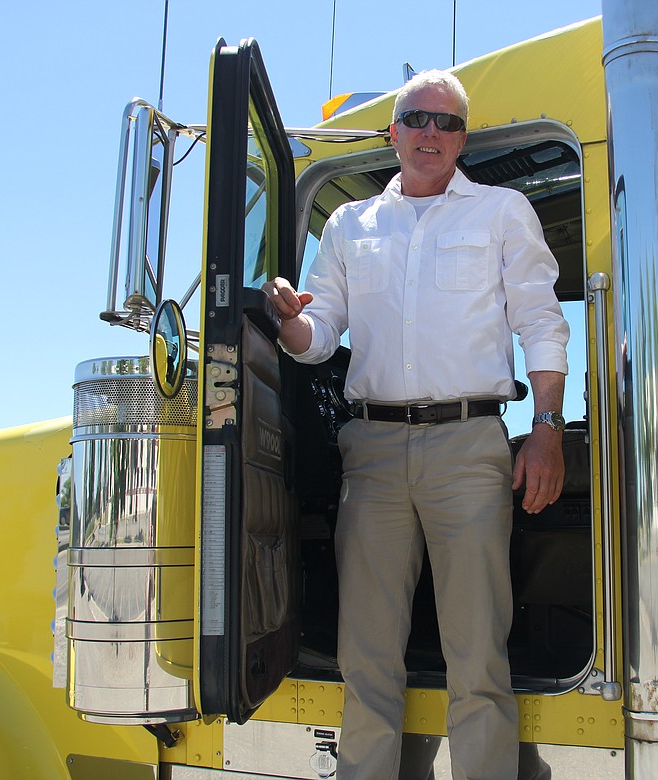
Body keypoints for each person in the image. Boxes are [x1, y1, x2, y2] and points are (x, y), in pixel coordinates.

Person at [265, 69, 569, 780]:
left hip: (470, 447)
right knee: (364, 655)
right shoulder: (348, 226)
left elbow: (540, 322)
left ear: (462, 139)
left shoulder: (501, 211)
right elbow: (321, 334)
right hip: (370, 450)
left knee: (478, 656)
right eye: (417, 118)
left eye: (448, 122)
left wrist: (548, 426)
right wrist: (287, 320)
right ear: (394, 131)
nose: (432, 132)